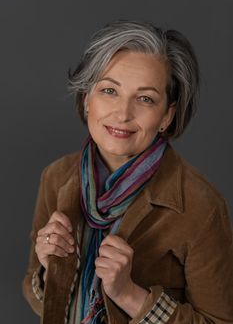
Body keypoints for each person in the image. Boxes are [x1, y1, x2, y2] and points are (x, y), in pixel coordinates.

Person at [22, 20, 233, 324]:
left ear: (166, 115)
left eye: (145, 98)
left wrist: (129, 294)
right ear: (86, 99)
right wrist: (48, 269)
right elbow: (36, 296)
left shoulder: (203, 206)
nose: (122, 113)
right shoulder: (56, 177)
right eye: (109, 90)